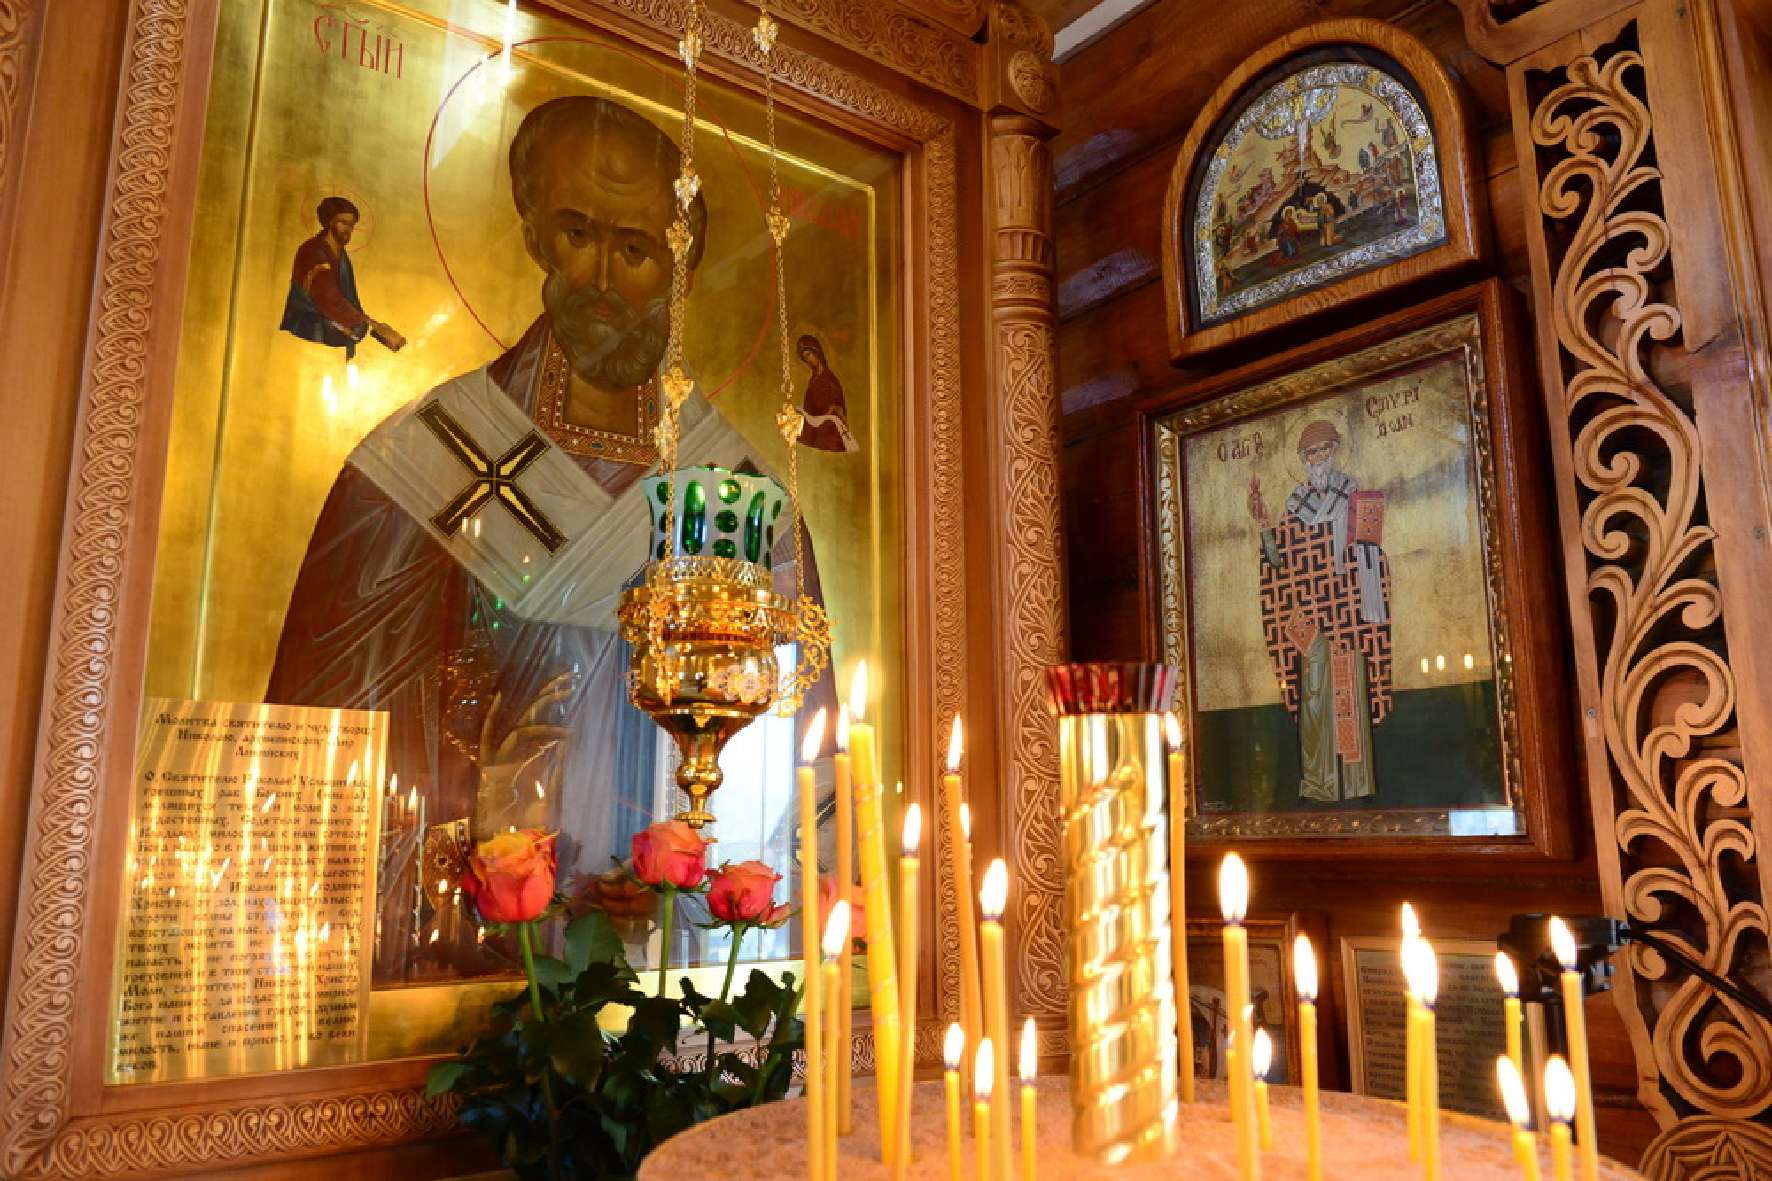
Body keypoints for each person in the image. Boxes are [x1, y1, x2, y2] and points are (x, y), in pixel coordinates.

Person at [266, 96, 828, 984]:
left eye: (636, 249)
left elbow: (798, 773)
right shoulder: (422, 464)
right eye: (576, 234)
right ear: (533, 235)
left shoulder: (745, 504)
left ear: (681, 268)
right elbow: (323, 769)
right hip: (470, 964)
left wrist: (690, 883)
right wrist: (471, 860)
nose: (601, 276)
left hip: (669, 975)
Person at [1246, 420, 1391, 803]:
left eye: (1325, 449)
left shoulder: (1353, 497)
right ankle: (1319, 783)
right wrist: (1264, 526)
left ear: (1335, 450)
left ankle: (1356, 784)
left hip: (1347, 613)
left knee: (1349, 692)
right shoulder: (1295, 507)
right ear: (1303, 459)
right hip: (1310, 617)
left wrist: (1364, 560)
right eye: (1312, 452)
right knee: (1313, 698)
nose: (1319, 458)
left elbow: (1371, 553)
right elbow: (1278, 562)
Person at [279, 196, 405, 358]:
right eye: (343, 222)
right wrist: (369, 322)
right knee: (353, 329)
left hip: (334, 315)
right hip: (309, 318)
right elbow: (328, 296)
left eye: (351, 225)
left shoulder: (342, 256)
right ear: (329, 221)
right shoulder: (313, 250)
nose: (348, 229)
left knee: (358, 330)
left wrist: (375, 326)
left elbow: (349, 298)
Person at [795, 335, 858, 452]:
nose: (808, 360)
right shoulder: (812, 382)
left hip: (829, 427)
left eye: (808, 355)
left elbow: (840, 409)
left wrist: (832, 410)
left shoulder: (831, 380)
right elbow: (809, 410)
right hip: (815, 425)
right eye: (805, 358)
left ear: (817, 353)